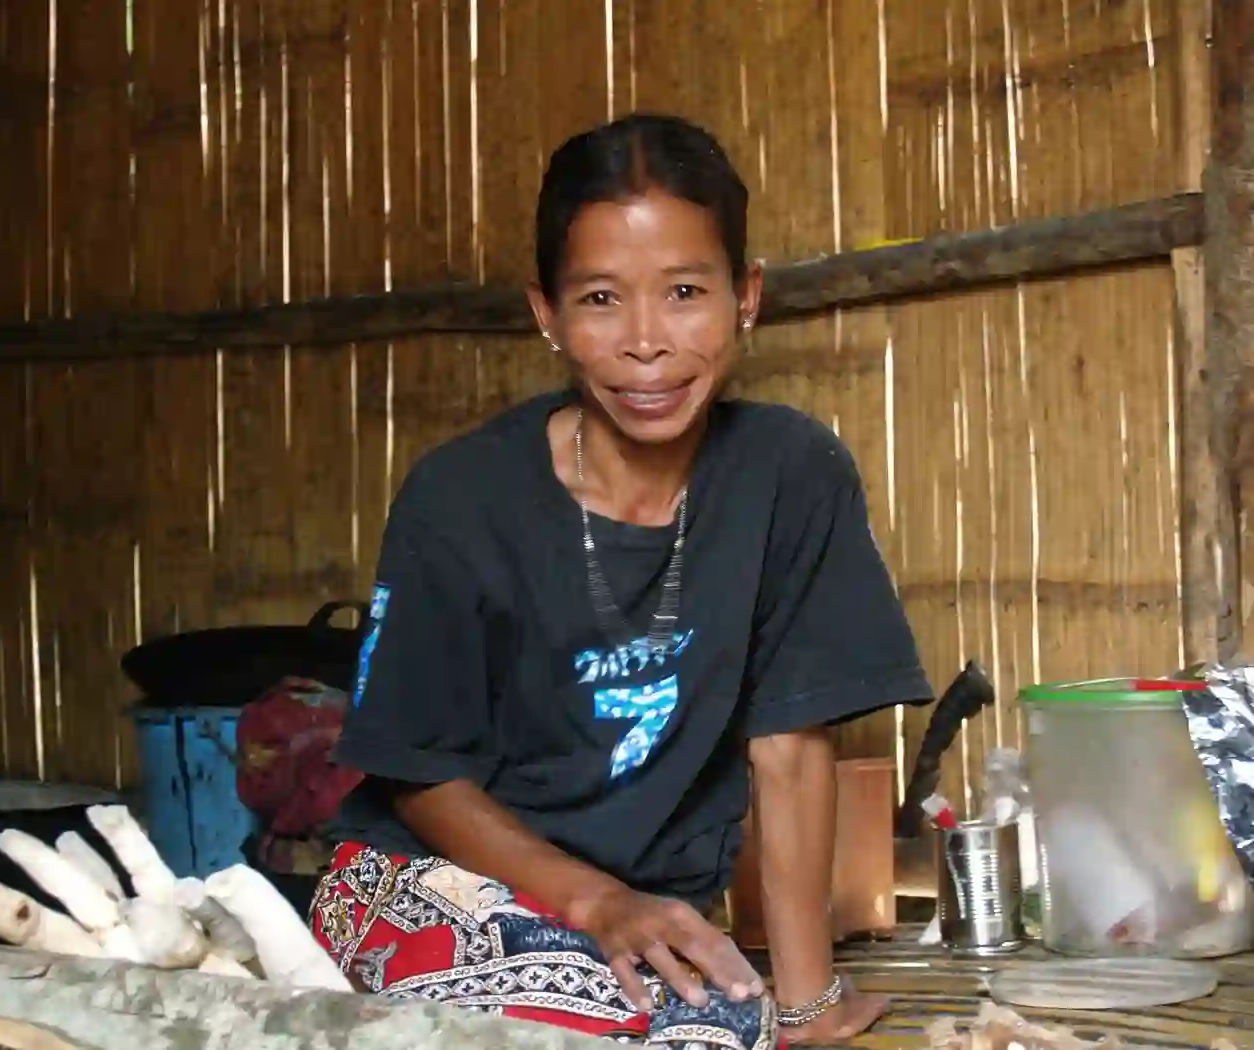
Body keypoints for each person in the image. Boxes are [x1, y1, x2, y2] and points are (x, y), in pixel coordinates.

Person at [309, 113, 933, 1050]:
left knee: (722, 1028)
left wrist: (807, 1006)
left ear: (746, 296)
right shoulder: (462, 498)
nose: (647, 342)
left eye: (685, 291)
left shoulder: (789, 474)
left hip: (637, 920)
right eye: (601, 299)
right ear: (547, 314)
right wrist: (594, 901)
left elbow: (792, 747)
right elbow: (419, 775)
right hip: (425, 885)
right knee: (683, 1038)